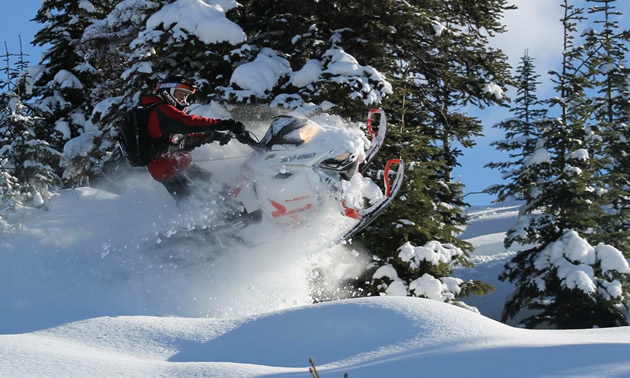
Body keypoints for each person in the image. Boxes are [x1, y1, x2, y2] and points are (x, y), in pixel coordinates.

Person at [141, 75, 245, 203]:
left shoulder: (163, 114)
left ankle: (239, 209)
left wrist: (215, 135)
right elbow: (188, 122)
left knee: (216, 187)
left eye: (185, 95)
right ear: (168, 92)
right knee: (194, 201)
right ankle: (214, 221)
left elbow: (184, 138)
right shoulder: (161, 110)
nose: (183, 98)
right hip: (168, 169)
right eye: (180, 94)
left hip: (179, 164)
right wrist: (224, 123)